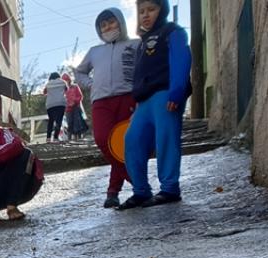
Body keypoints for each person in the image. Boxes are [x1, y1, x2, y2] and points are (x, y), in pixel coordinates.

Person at [118, 0, 192, 209]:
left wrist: (176, 93)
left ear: (163, 10)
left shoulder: (173, 32)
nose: (146, 15)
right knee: (132, 140)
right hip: (144, 102)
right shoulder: (142, 42)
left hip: (165, 95)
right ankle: (140, 191)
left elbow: (181, 60)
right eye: (141, 11)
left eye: (151, 9)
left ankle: (169, 188)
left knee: (166, 139)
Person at [75, 7, 140, 208]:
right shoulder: (95, 52)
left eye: (111, 22)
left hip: (128, 98)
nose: (108, 27)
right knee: (103, 139)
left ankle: (113, 191)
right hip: (101, 101)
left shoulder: (136, 44)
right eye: (103, 25)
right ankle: (138, 183)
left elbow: (146, 70)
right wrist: (91, 84)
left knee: (122, 145)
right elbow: (79, 72)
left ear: (121, 22)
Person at [43, 72, 68, 142]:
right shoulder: (63, 82)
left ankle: (48, 138)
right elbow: (67, 90)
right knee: (59, 120)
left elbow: (44, 92)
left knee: (51, 120)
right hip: (61, 103)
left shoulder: (48, 84)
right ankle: (55, 137)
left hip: (50, 104)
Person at [64, 75, 89, 141]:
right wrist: (67, 104)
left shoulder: (75, 86)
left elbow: (80, 96)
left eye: (67, 80)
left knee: (78, 122)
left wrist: (74, 101)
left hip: (76, 107)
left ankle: (79, 138)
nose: (66, 81)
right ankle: (69, 140)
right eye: (65, 80)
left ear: (69, 80)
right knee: (70, 124)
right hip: (68, 109)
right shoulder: (63, 90)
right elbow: (62, 100)